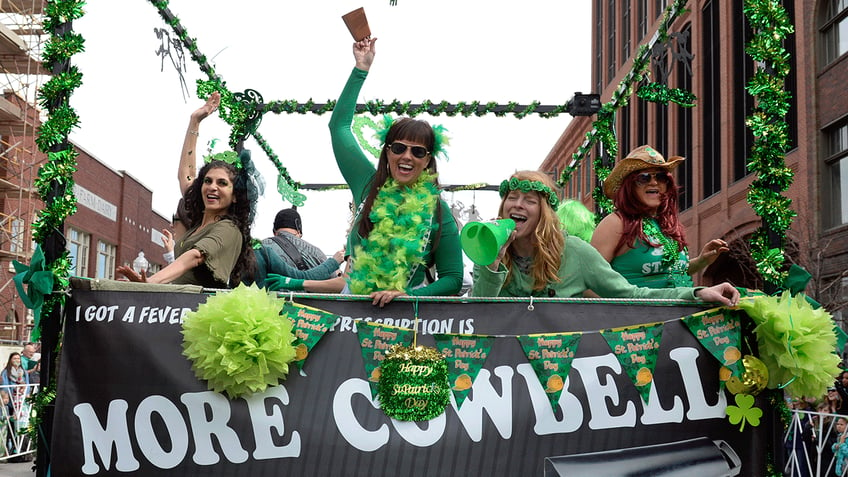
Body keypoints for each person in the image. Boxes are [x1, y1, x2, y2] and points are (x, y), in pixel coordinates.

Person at [327, 37, 463, 306]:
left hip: (406, 320)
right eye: (399, 147)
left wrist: (407, 295)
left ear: (427, 161)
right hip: (351, 310)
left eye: (418, 151)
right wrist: (360, 69)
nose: (407, 157)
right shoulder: (367, 184)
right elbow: (338, 126)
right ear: (387, 151)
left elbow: (453, 278)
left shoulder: (437, 209)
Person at [471, 170, 740, 306]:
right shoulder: (488, 251)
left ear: (544, 213)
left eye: (529, 200)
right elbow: (477, 313)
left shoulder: (574, 251)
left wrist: (697, 292)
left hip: (560, 373)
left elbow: (631, 294)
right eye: (512, 198)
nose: (517, 205)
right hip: (504, 372)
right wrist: (492, 262)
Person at [591, 145, 729, 288]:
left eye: (661, 177)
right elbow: (589, 284)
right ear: (629, 186)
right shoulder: (615, 223)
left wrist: (701, 261)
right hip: (638, 310)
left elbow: (670, 273)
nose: (654, 182)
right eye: (644, 178)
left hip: (681, 309)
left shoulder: (665, 224)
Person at [118, 152, 258, 288]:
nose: (212, 187)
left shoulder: (229, 228)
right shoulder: (196, 227)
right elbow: (185, 175)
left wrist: (151, 281)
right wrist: (194, 127)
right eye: (207, 181)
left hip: (202, 309)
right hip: (179, 306)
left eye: (222, 183)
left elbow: (196, 256)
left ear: (235, 196)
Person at [263, 208, 334, 272]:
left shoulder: (260, 247)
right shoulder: (315, 252)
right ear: (299, 229)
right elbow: (335, 282)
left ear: (274, 230)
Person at [0, 353, 29, 419]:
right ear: (10, 360)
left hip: (21, 397)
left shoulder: (24, 372)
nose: (17, 360)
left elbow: (27, 383)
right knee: (10, 417)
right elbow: (4, 384)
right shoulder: (5, 372)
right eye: (14, 358)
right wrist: (5, 395)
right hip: (10, 397)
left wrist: (26, 392)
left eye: (18, 358)